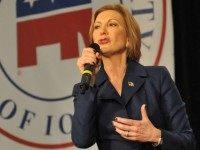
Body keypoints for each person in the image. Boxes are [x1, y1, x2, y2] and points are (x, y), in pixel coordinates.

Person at [71, 4, 196, 150]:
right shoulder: (88, 88)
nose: (102, 31)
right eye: (97, 27)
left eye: (112, 24)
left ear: (128, 39)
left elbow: (188, 141)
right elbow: (82, 140)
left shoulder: (157, 78)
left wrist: (155, 135)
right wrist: (89, 80)